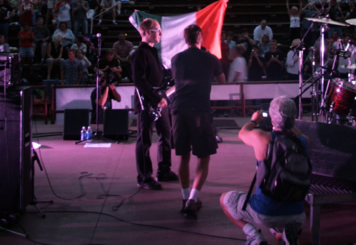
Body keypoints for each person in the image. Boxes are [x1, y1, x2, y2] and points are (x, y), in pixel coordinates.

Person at [220, 97, 307, 245]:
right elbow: (293, 131)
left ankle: (254, 236)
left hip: (266, 212)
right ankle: (285, 234)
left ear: (273, 120)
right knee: (279, 236)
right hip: (298, 214)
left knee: (224, 199)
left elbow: (243, 133)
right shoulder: (304, 141)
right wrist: (288, 123)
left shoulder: (262, 138)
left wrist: (254, 120)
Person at [170, 24, 226, 218]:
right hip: (200, 110)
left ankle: (185, 197)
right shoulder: (210, 58)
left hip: (178, 109)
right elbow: (222, 81)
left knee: (183, 155)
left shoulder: (176, 59)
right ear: (200, 38)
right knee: (203, 156)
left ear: (185, 39)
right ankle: (193, 198)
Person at [132, 18, 177, 190]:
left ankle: (164, 170)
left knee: (165, 134)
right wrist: (157, 98)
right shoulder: (140, 54)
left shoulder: (152, 52)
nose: (160, 34)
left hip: (159, 101)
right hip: (148, 103)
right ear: (146, 31)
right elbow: (140, 81)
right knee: (144, 140)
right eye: (157, 30)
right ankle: (144, 177)